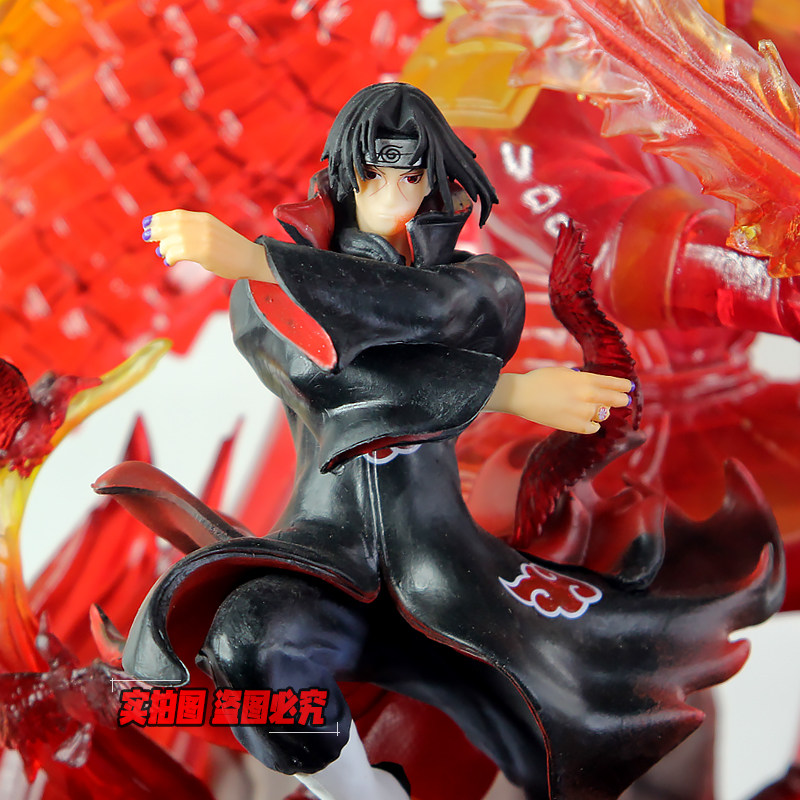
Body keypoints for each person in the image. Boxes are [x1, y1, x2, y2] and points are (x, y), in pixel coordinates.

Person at [121, 83, 779, 800]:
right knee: (248, 640)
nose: (391, 197)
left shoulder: (478, 287)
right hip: (325, 557)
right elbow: (338, 382)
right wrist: (511, 392)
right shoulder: (264, 298)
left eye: (410, 178)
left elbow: (429, 310)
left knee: (560, 730)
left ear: (437, 185)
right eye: (373, 176)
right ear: (343, 179)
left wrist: (260, 261)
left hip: (447, 571)